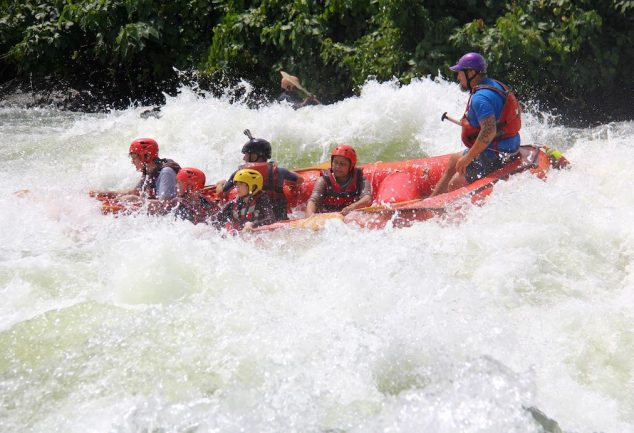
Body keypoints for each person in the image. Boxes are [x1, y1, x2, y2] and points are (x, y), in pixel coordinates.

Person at [431, 52, 522, 196]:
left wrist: (468, 158)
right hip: (508, 145)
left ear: (471, 73)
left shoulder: (480, 98)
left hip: (498, 154)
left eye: (460, 73)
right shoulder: (494, 85)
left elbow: (489, 131)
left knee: (456, 182)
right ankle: (431, 202)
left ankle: (452, 215)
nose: (458, 77)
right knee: (454, 160)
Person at [215, 130, 304, 221]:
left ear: (254, 156)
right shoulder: (278, 171)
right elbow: (300, 180)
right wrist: (284, 179)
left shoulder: (241, 173)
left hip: (252, 221)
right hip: (280, 218)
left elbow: (221, 192)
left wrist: (220, 183)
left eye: (246, 154)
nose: (244, 158)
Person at [305, 144, 372, 217]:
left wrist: (351, 207)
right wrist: (310, 217)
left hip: (350, 216)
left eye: (342, 164)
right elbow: (313, 200)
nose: (337, 167)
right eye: (335, 162)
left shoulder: (361, 180)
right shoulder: (323, 181)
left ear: (351, 166)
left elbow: (367, 199)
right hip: (327, 217)